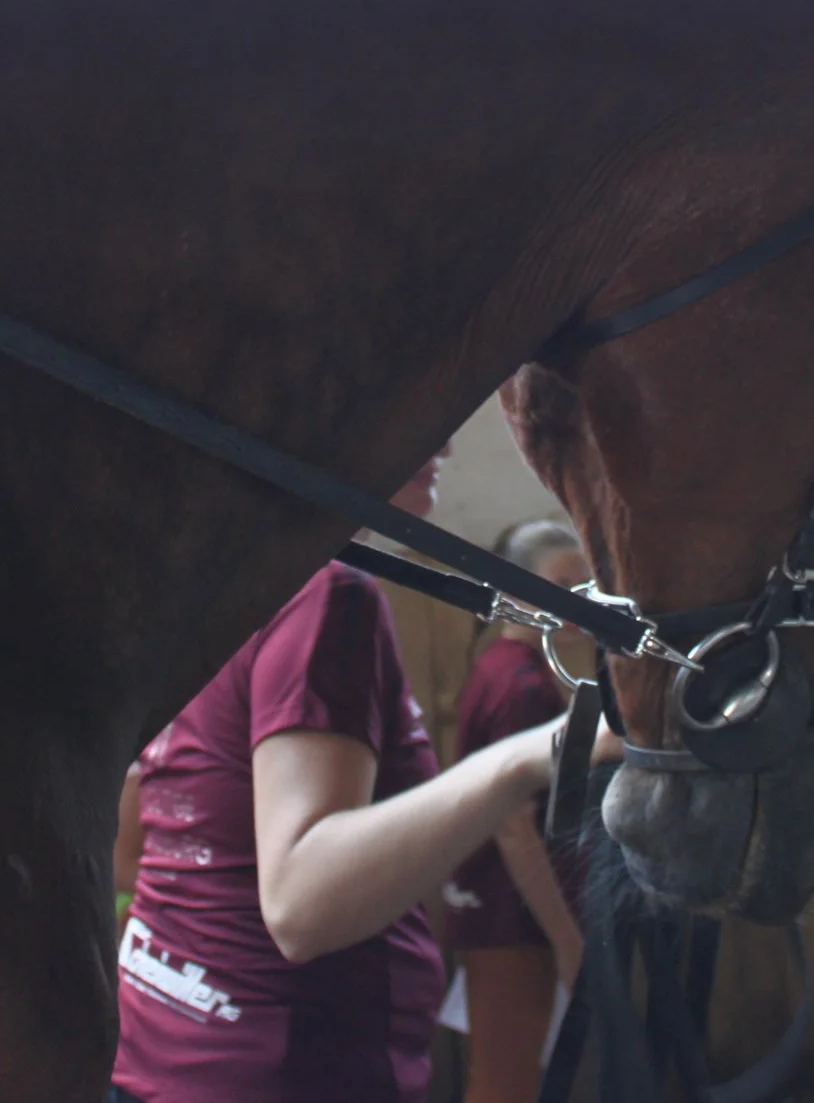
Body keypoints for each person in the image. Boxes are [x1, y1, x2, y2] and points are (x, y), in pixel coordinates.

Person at [109, 448, 590, 1103]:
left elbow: (130, 846)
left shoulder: (211, 580)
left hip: (161, 1048)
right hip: (283, 1071)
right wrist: (525, 758)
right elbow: (302, 909)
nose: (444, 443)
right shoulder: (328, 592)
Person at [438, 519, 591, 1103]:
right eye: (560, 585)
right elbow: (513, 825)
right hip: (513, 913)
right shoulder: (520, 688)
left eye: (584, 587)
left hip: (512, 910)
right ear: (513, 589)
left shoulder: (508, 671)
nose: (576, 602)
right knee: (507, 1085)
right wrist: (567, 939)